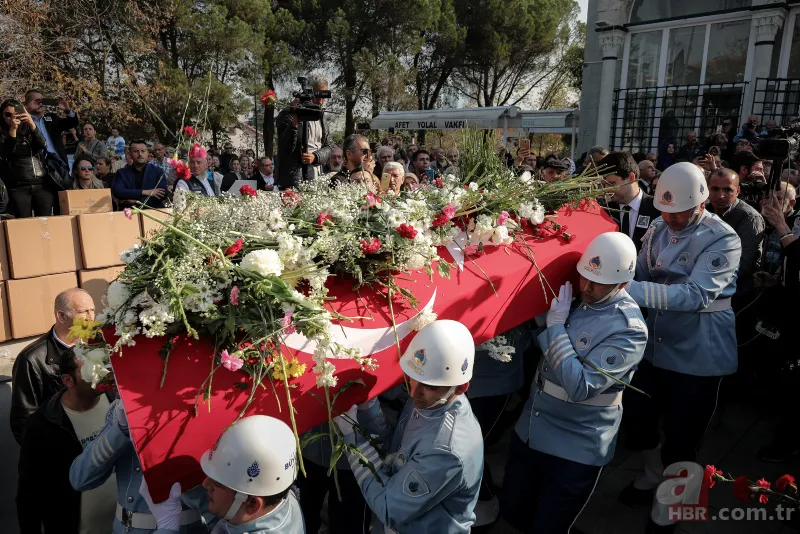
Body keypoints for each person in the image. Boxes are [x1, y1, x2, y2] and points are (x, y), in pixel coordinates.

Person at [620, 162, 742, 532]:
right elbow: (641, 272)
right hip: (653, 345)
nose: (671, 219)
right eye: (665, 211)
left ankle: (676, 503)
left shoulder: (723, 238)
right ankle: (655, 473)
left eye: (680, 213)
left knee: (683, 435)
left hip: (697, 351)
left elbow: (696, 295)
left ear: (701, 204)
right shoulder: (657, 227)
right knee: (638, 418)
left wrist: (623, 289)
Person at [501, 232, 647, 533]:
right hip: (533, 427)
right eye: (584, 278)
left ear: (622, 283)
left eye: (598, 282)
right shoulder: (578, 298)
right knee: (513, 510)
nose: (587, 287)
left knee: (550, 526)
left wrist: (554, 327)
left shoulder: (629, 330)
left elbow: (579, 386)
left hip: (577, 443)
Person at [334, 320, 483, 534]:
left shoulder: (444, 451)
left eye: (429, 386)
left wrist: (352, 438)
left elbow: (388, 508)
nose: (414, 393)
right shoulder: (432, 402)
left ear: (460, 388)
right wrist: (369, 408)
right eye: (414, 379)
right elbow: (395, 449)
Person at [140, 415, 304, 534]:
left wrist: (167, 529)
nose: (205, 484)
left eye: (217, 483)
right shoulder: (278, 497)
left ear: (253, 504)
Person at [17, 348, 118, 534]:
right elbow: (29, 494)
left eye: (103, 364)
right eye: (90, 368)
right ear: (67, 380)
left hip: (124, 525)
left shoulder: (117, 402)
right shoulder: (44, 425)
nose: (102, 372)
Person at [69, 398, 205, 533]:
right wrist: (120, 430)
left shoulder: (199, 406)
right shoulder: (119, 412)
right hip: (125, 528)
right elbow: (80, 479)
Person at [10, 288, 96, 444]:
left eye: (93, 310)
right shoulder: (32, 359)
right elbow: (23, 420)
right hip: (63, 448)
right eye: (83, 312)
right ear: (61, 316)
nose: (91, 317)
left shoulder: (98, 344)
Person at [706, 168, 764, 299]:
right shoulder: (704, 212)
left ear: (737, 191)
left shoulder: (749, 218)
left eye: (728, 190)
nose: (720, 195)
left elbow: (742, 263)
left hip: (737, 293)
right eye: (715, 189)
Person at [276, 73, 334, 188]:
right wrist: (295, 122)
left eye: (324, 97)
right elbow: (284, 148)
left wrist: (316, 156)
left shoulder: (321, 115)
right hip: (293, 179)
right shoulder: (288, 113)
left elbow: (329, 146)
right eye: (318, 96)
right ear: (309, 92)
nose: (321, 102)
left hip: (316, 175)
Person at [0, 98, 52, 217]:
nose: (11, 118)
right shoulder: (2, 131)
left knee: (45, 221)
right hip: (18, 185)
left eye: (15, 115)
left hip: (41, 183)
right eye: (8, 115)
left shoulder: (28, 128)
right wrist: (13, 129)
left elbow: (43, 144)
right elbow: (6, 153)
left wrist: (31, 123)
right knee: (23, 223)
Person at [601, 152, 660, 252]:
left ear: (631, 177)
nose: (606, 189)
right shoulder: (605, 212)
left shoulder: (657, 209)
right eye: (603, 185)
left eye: (611, 183)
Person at [24, 89, 78, 165]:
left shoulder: (52, 118)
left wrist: (67, 110)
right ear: (27, 104)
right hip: (37, 164)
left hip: (59, 163)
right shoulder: (23, 122)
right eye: (36, 101)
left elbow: (73, 123)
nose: (41, 103)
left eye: (42, 101)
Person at [113, 140, 168, 208]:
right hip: (128, 214)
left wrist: (137, 202)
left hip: (153, 212)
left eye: (143, 151)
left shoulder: (158, 171)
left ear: (148, 153)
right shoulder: (122, 173)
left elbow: (162, 194)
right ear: (130, 154)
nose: (140, 154)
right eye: (136, 151)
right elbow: (118, 192)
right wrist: (145, 192)